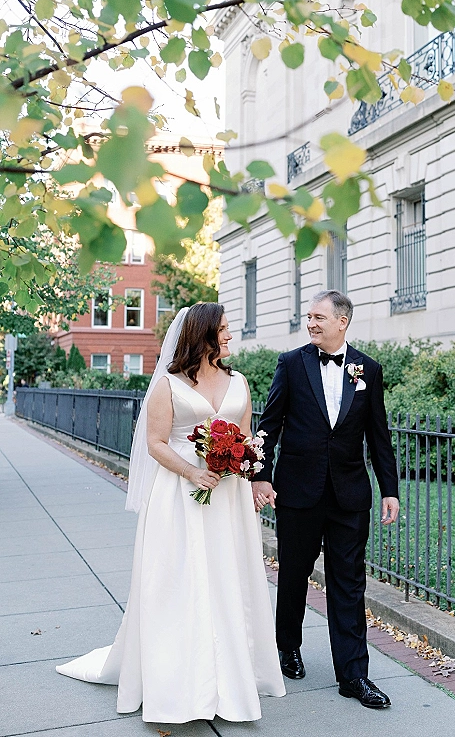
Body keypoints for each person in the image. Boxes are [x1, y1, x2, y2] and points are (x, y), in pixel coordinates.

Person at [56, 303, 285, 723]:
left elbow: (248, 435)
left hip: (227, 498)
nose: (231, 336)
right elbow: (156, 443)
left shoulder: (240, 382)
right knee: (180, 581)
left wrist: (249, 466)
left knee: (225, 578)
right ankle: (179, 684)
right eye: (224, 330)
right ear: (204, 336)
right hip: (180, 495)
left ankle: (229, 679)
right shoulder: (168, 385)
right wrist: (193, 472)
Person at [252, 290, 400, 710]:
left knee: (349, 584)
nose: (311, 323)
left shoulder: (368, 369)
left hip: (350, 495)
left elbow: (379, 435)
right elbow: (270, 426)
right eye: (308, 317)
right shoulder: (291, 364)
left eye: (318, 317)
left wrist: (389, 489)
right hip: (298, 491)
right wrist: (261, 476)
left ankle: (354, 675)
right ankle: (287, 647)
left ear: (342, 321)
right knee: (295, 575)